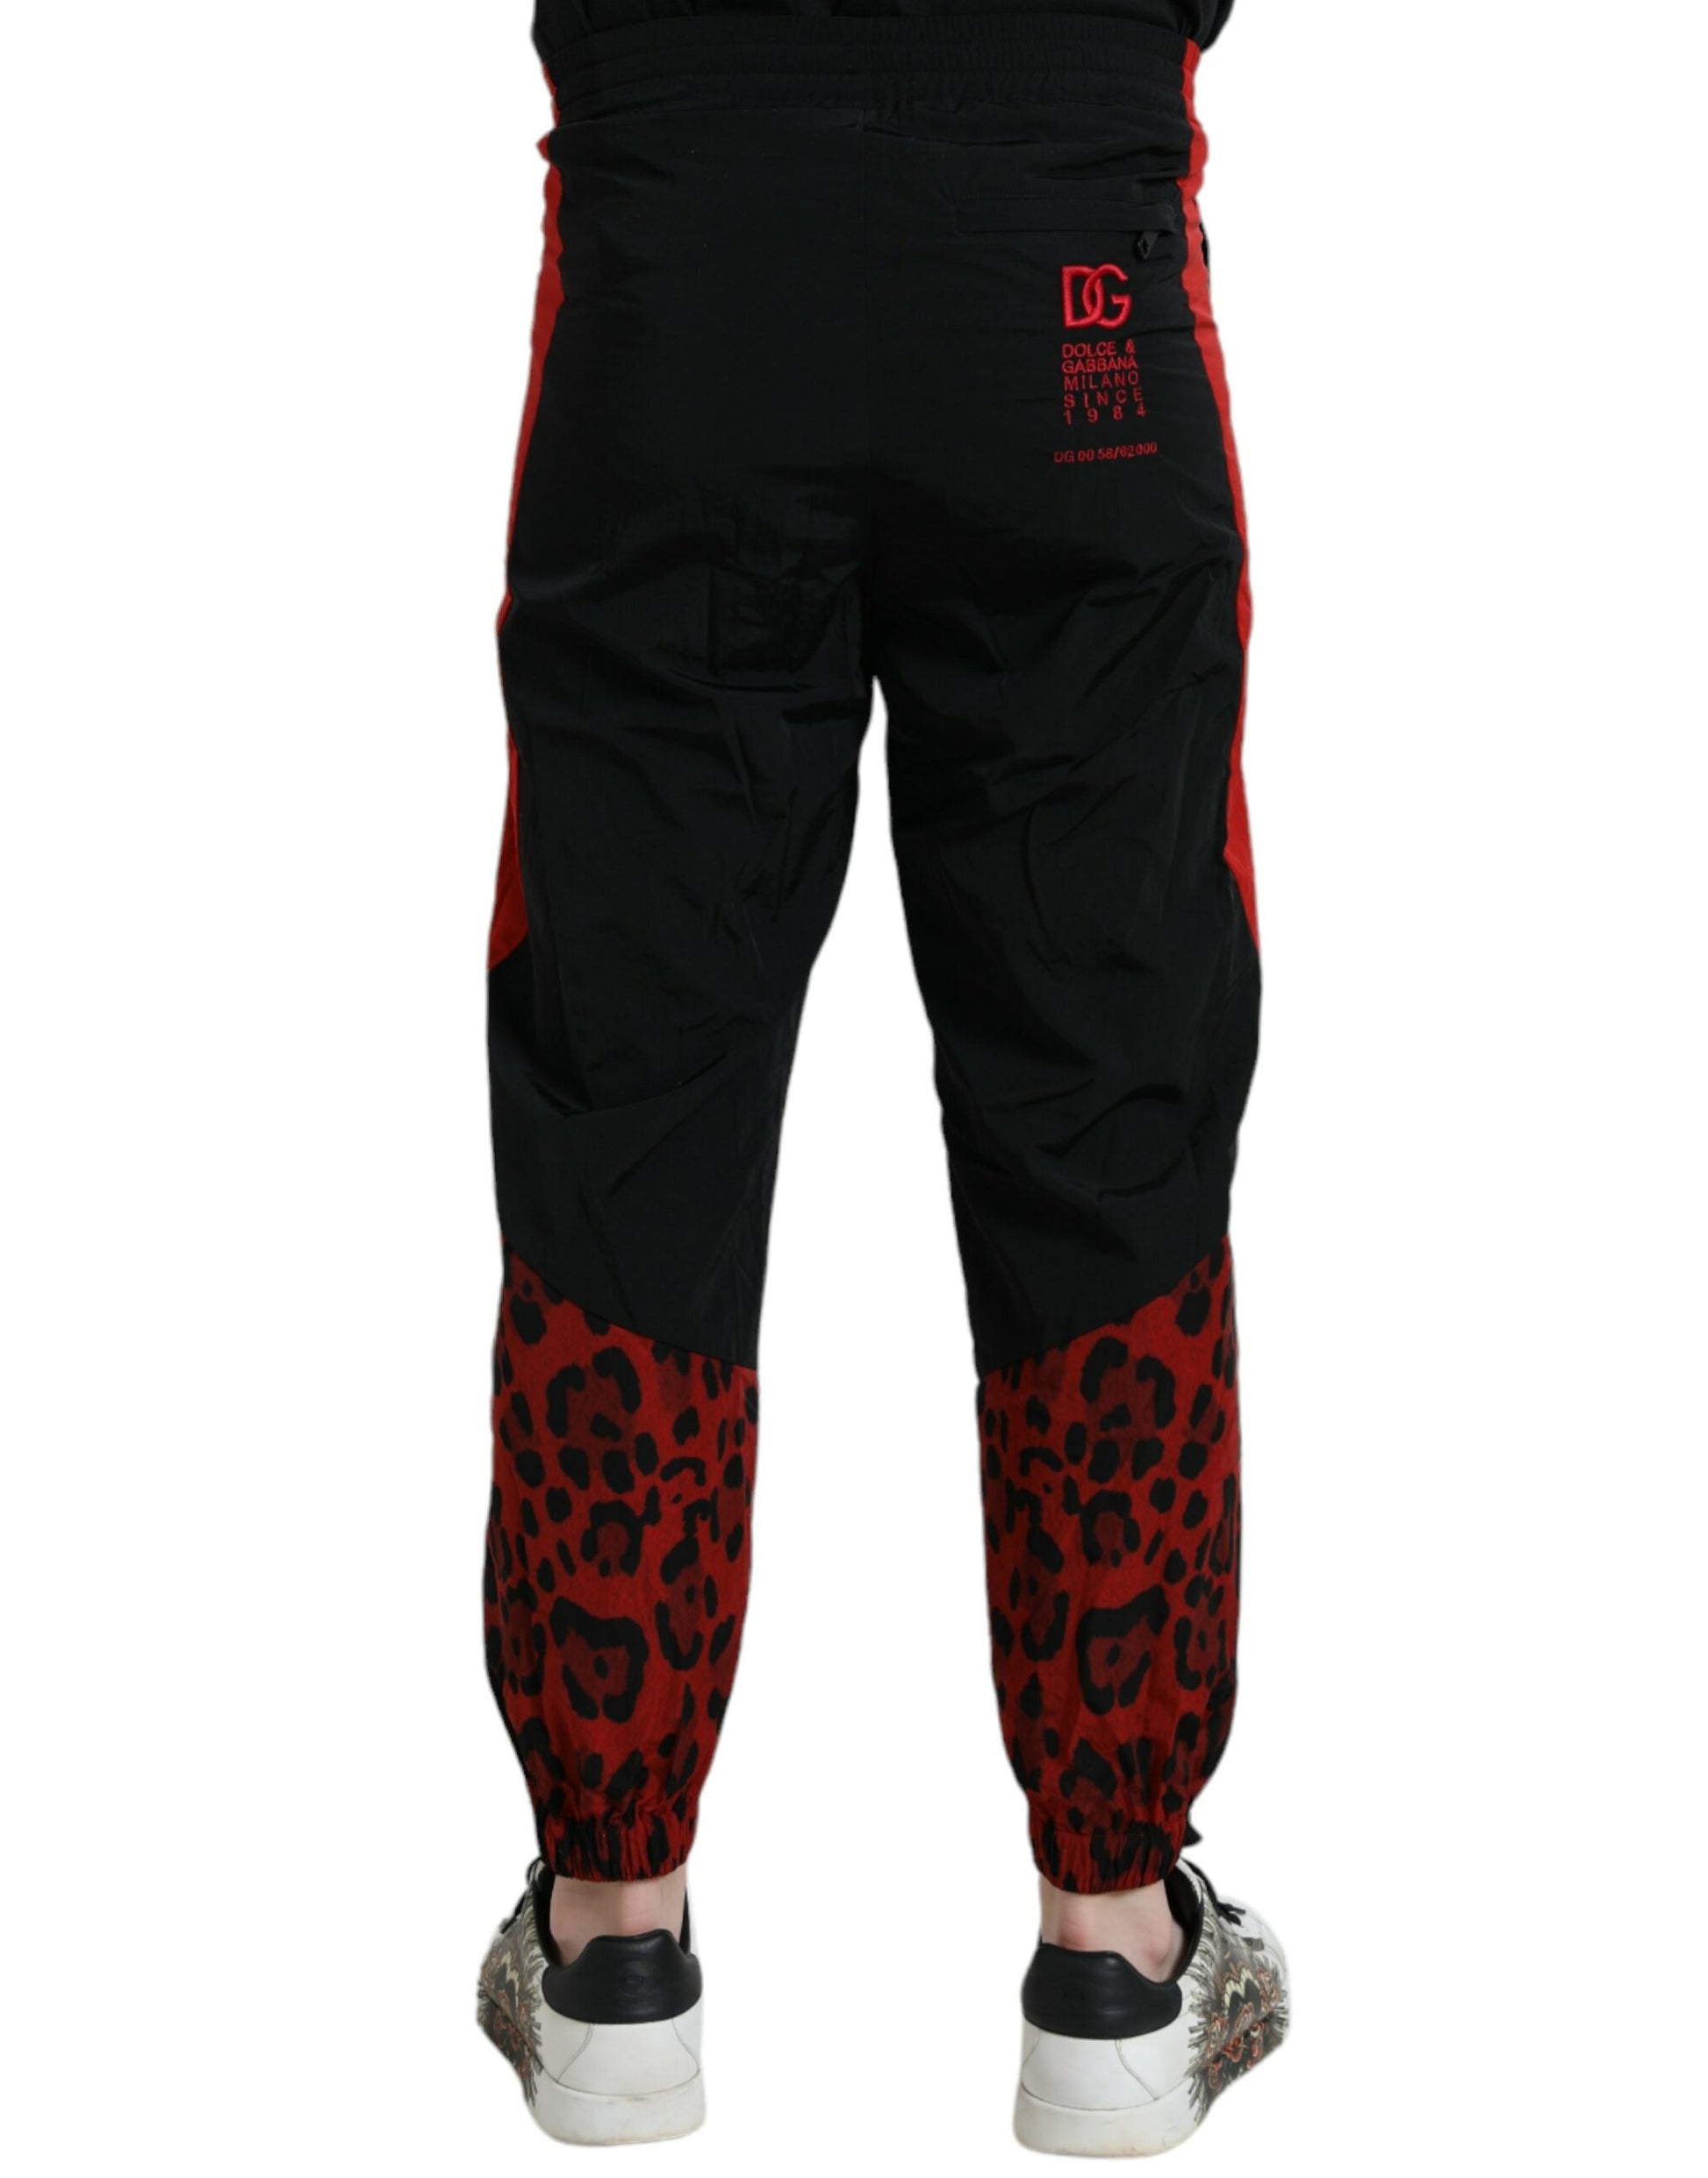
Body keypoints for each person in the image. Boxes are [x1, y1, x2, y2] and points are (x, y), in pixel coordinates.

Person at [475, 0, 1288, 2152]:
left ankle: (611, 1929)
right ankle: (1113, 1946)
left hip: (687, 249)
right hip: (1059, 253)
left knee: (631, 1061)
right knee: (1103, 1054)